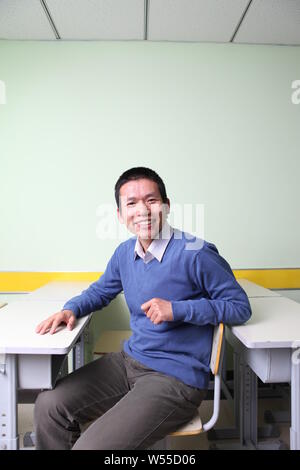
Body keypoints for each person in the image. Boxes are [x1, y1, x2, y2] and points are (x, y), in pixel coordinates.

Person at [34, 166, 251, 450]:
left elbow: (239, 307)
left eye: (151, 200)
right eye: (132, 203)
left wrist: (178, 309)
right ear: (120, 215)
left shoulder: (196, 252)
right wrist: (72, 308)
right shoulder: (125, 253)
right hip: (130, 361)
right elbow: (101, 290)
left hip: (175, 377)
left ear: (166, 206)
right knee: (48, 406)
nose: (143, 210)